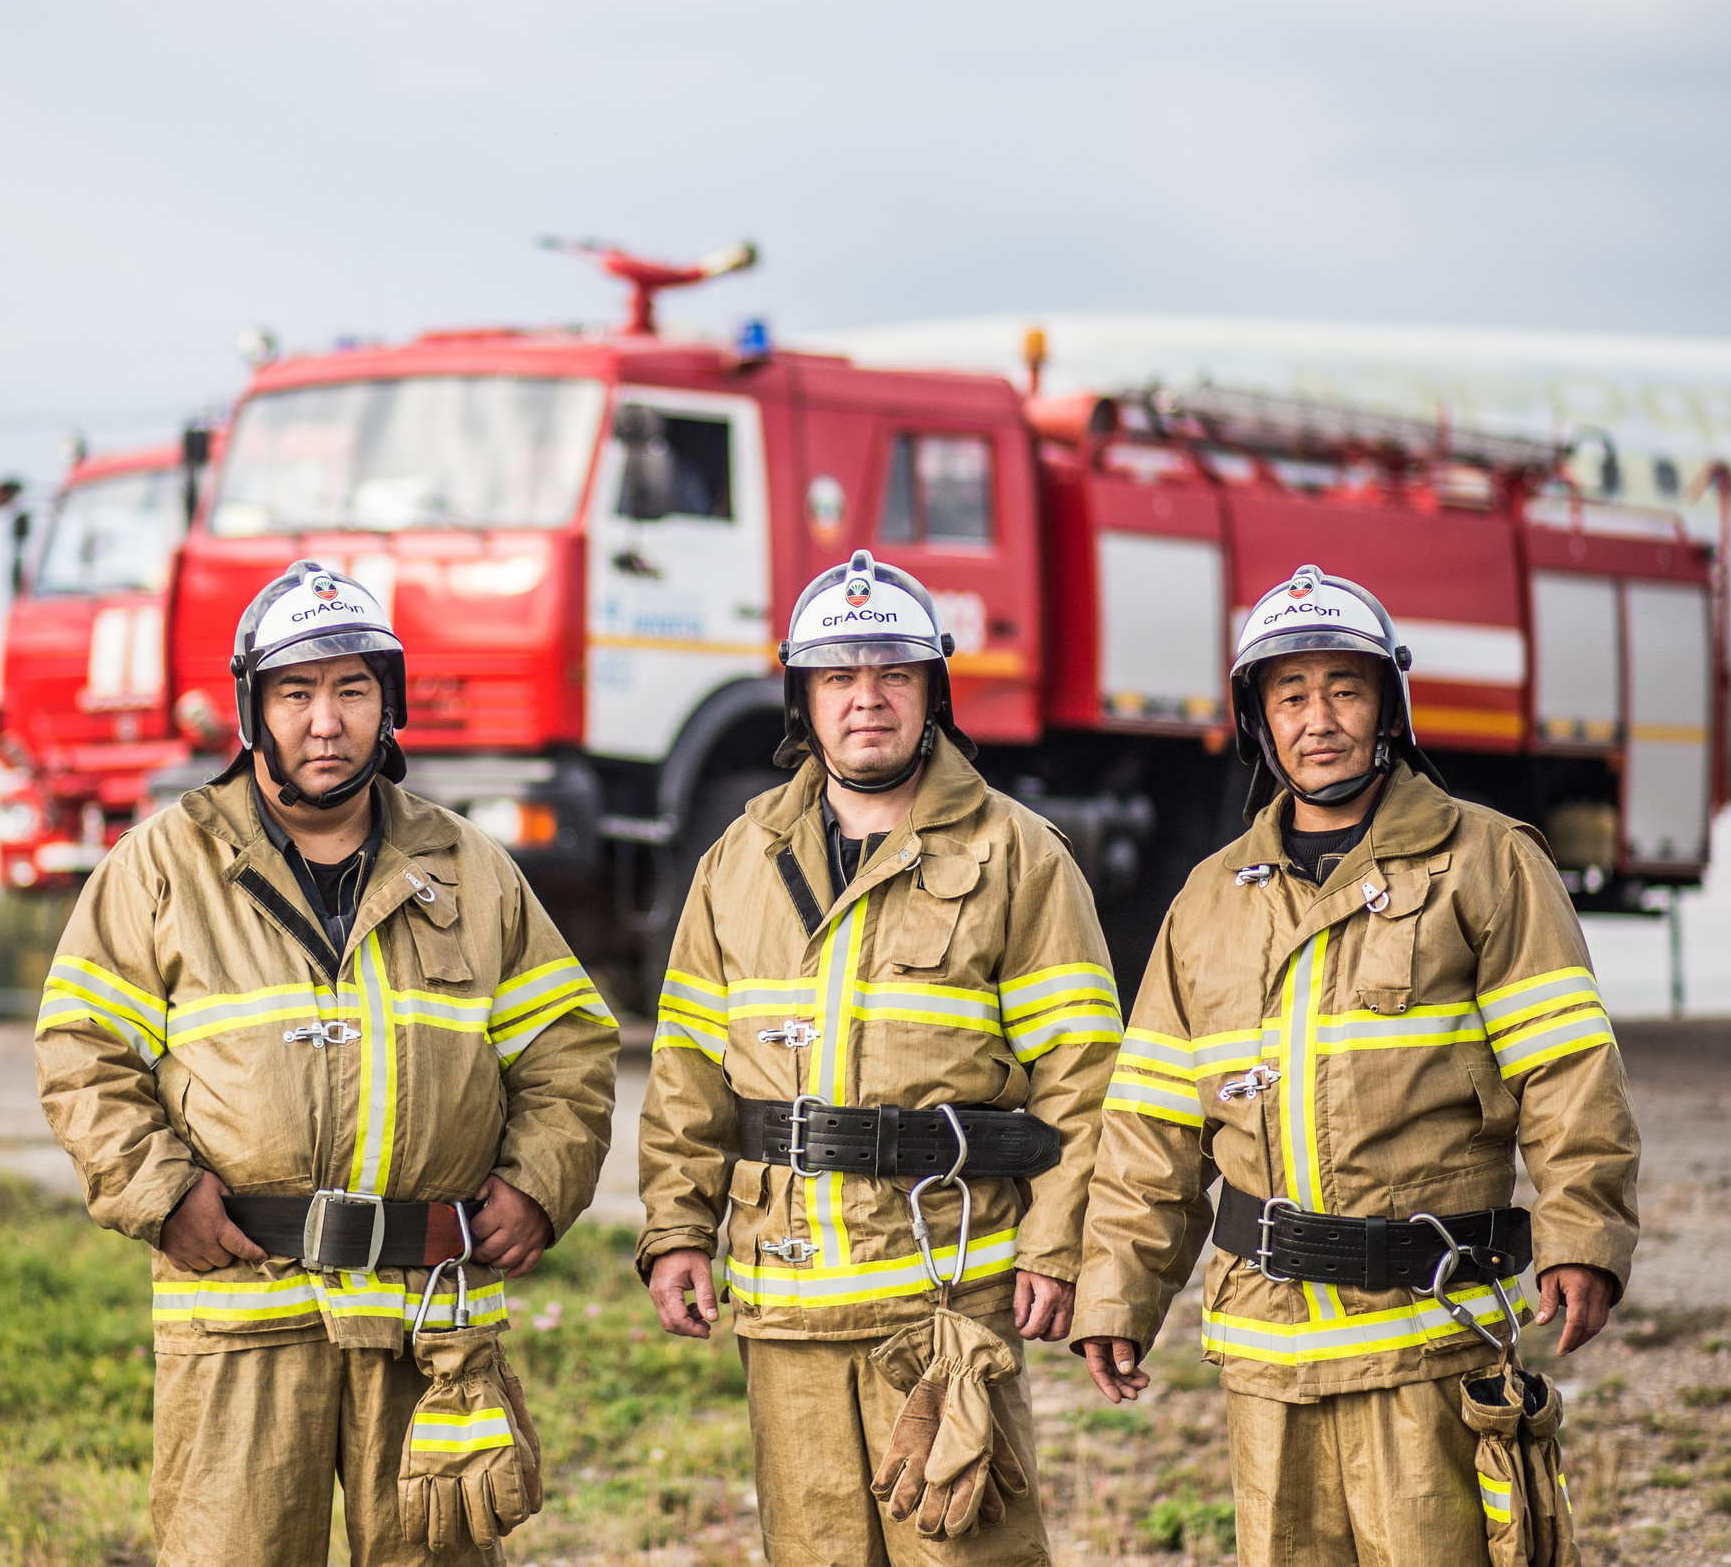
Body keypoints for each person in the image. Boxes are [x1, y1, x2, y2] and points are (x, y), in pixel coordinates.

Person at [35, 560, 618, 1566]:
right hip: (241, 1313)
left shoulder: (470, 870)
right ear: (252, 711)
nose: (325, 721)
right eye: (295, 693)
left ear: (386, 707)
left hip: (428, 1316)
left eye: (351, 690)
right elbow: (82, 1052)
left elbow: (566, 1048)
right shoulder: (163, 867)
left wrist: (539, 1184)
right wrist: (160, 1192)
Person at [1071, 564, 1641, 1567]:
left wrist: (1581, 1232)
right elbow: (1151, 1127)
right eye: (1289, 693)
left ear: (1387, 704)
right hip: (1265, 1353)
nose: (1318, 716)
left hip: (1427, 1333)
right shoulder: (1207, 902)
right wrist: (1116, 1291)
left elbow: (1565, 1069)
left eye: (1344, 686)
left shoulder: (1487, 862)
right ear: (1259, 719)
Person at [637, 550, 1123, 1565]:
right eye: (838, 677)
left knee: (967, 1552)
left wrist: (1056, 1245)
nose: (866, 699)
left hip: (945, 1298)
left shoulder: (1017, 855)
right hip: (786, 1301)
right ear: (801, 700)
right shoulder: (738, 859)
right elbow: (686, 1067)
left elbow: (1084, 1077)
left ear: (931, 693)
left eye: (891, 674)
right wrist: (676, 1227)